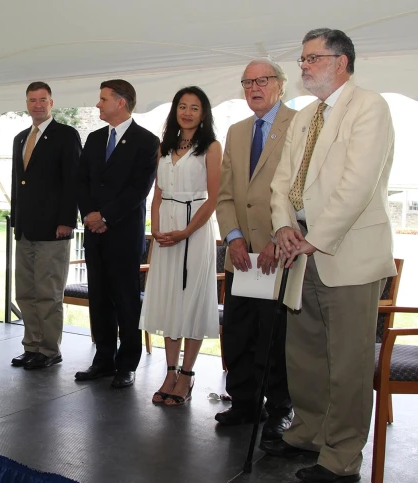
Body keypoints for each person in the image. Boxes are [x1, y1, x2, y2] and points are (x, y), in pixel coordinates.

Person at [265, 29, 396, 483]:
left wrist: (314, 237)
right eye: (302, 59)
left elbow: (356, 186)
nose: (303, 66)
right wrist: (284, 225)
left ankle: (341, 458)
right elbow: (282, 181)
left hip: (347, 252)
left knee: (347, 362)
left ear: (341, 62)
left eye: (312, 58)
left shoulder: (370, 107)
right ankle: (307, 432)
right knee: (303, 354)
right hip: (300, 250)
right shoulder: (304, 116)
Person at [215, 59, 295, 438]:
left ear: (280, 84)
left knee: (275, 336)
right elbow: (226, 194)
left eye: (262, 81)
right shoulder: (236, 131)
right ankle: (245, 403)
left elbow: (300, 192)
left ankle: (280, 409)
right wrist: (233, 238)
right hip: (241, 257)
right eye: (247, 82)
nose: (253, 88)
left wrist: (278, 239)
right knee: (238, 332)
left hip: (280, 254)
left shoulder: (300, 124)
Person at [139, 86, 221, 405]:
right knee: (170, 299)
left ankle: (186, 375)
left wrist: (186, 231)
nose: (187, 112)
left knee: (192, 299)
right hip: (166, 230)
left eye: (194, 108)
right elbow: (157, 192)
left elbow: (213, 198)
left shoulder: (211, 147)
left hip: (194, 229)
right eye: (182, 106)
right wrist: (156, 227)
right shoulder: (165, 146)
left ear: (204, 114)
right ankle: (170, 371)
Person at [75, 79, 159, 388]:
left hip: (123, 233)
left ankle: (127, 364)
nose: (98, 105)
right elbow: (81, 181)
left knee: (125, 300)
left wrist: (106, 216)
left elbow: (139, 189)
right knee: (99, 299)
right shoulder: (95, 139)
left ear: (120, 102)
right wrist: (90, 216)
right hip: (95, 234)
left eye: (103, 99)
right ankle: (103, 360)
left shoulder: (146, 142)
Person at [10, 82, 81, 370]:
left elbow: (73, 181)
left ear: (52, 102)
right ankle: (31, 346)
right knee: (25, 292)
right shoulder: (19, 138)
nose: (37, 105)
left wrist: (67, 220)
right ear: (26, 103)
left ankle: (50, 350)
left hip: (54, 229)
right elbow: (18, 184)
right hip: (25, 229)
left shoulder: (66, 135)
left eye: (42, 100)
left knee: (47, 293)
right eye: (32, 100)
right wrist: (17, 221)